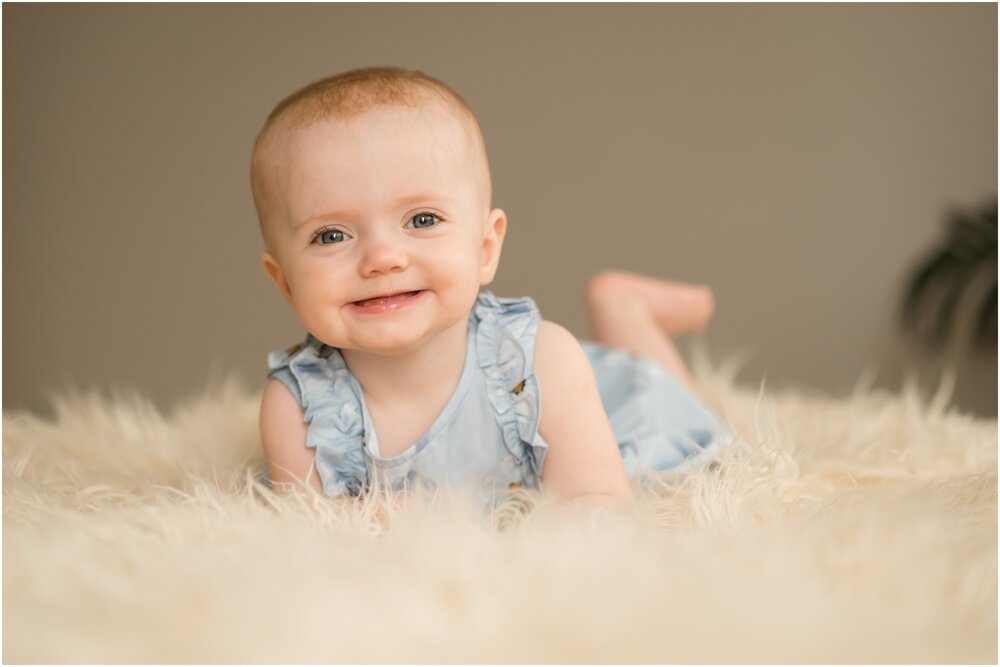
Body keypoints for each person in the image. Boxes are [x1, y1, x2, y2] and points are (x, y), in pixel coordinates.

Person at [251, 67, 728, 508]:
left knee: (664, 406)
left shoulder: (544, 360)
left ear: (484, 249)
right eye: (331, 235)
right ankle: (621, 310)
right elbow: (319, 536)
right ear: (285, 282)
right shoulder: (298, 411)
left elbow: (596, 501)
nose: (382, 259)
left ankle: (626, 311)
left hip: (604, 416)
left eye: (421, 219)